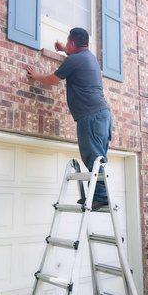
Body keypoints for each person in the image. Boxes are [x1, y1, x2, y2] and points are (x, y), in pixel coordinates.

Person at [27, 27, 112, 211]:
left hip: (90, 116)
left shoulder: (75, 60)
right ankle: (97, 196)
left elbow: (52, 80)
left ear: (73, 43)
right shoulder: (88, 57)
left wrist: (36, 76)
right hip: (101, 114)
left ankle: (101, 197)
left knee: (93, 157)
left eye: (67, 42)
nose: (66, 45)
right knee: (98, 158)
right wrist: (64, 49)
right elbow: (74, 55)